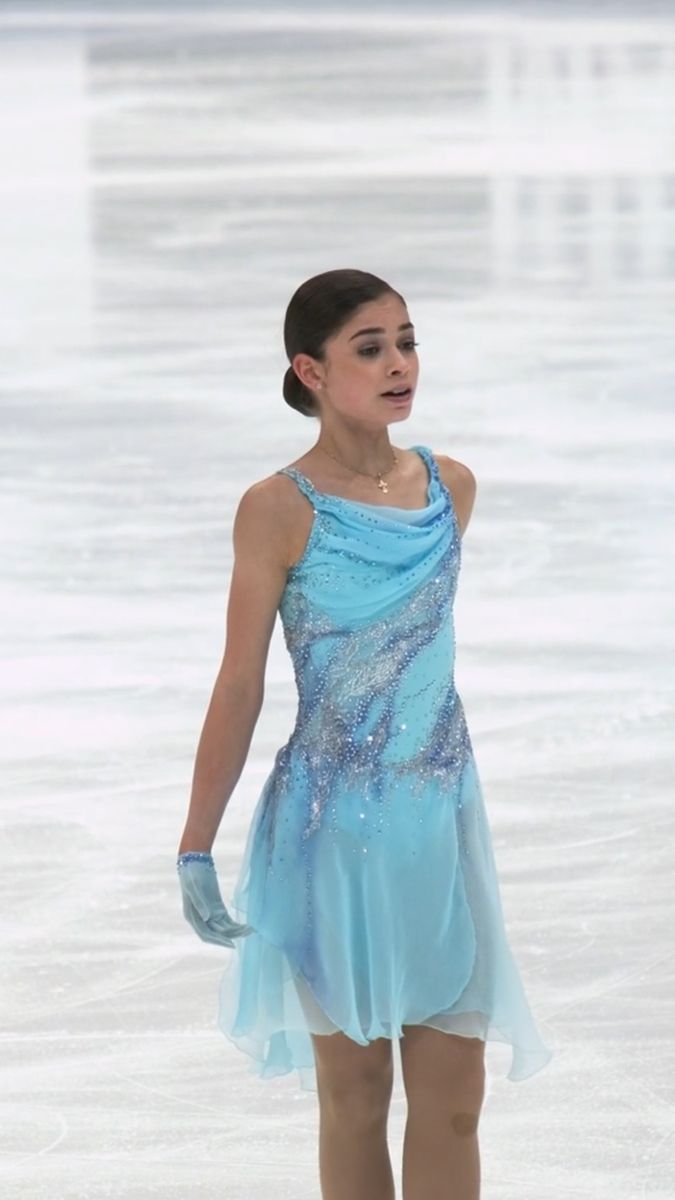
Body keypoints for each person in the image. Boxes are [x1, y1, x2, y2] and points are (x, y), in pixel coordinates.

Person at [176, 268, 552, 1200]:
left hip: (437, 824)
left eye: (407, 341)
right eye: (370, 347)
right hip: (329, 832)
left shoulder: (447, 489)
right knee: (354, 1092)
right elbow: (238, 682)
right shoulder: (279, 508)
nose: (399, 365)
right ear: (309, 370)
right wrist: (194, 843)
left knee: (456, 1094)